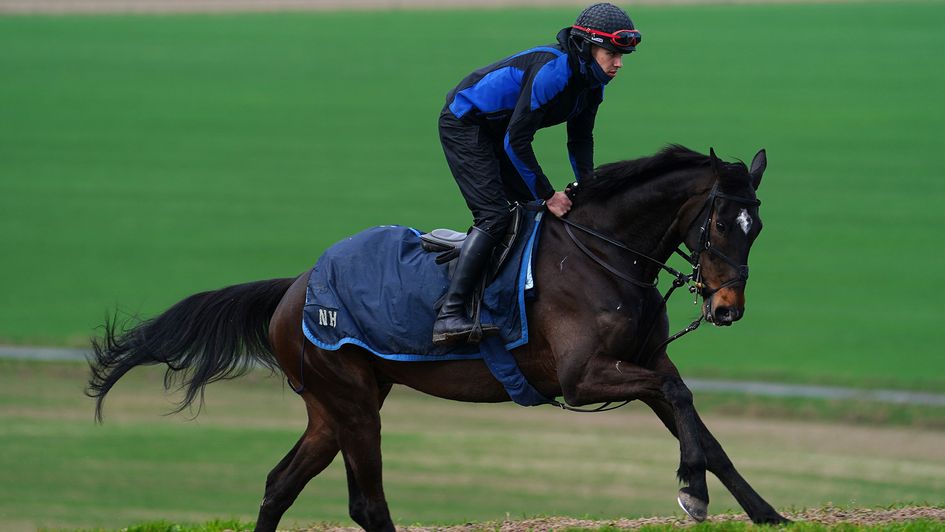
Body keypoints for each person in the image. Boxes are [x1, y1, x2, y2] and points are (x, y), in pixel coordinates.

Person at [432, 2, 642, 346]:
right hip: (465, 125)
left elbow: (580, 139)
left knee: (527, 211)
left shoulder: (593, 83)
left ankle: (503, 299)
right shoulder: (554, 72)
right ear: (585, 48)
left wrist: (589, 186)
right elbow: (516, 141)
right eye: (611, 53)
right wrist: (549, 194)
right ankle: (449, 315)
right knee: (495, 217)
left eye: (622, 56)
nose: (618, 64)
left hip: (498, 131)